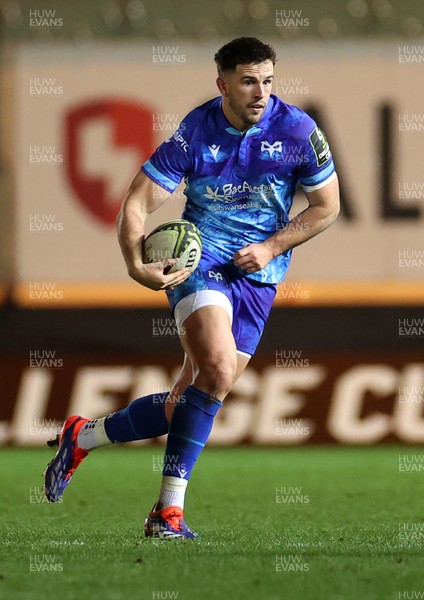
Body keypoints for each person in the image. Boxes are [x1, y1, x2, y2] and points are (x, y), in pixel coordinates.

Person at [44, 37, 339, 539]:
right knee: (219, 367)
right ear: (222, 83)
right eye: (248, 81)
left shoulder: (298, 130)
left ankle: (83, 436)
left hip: (259, 277)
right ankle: (167, 514)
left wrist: (269, 248)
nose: (260, 92)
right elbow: (136, 203)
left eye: (268, 80)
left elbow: (326, 207)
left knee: (193, 395)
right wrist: (137, 266)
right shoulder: (194, 133)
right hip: (200, 263)